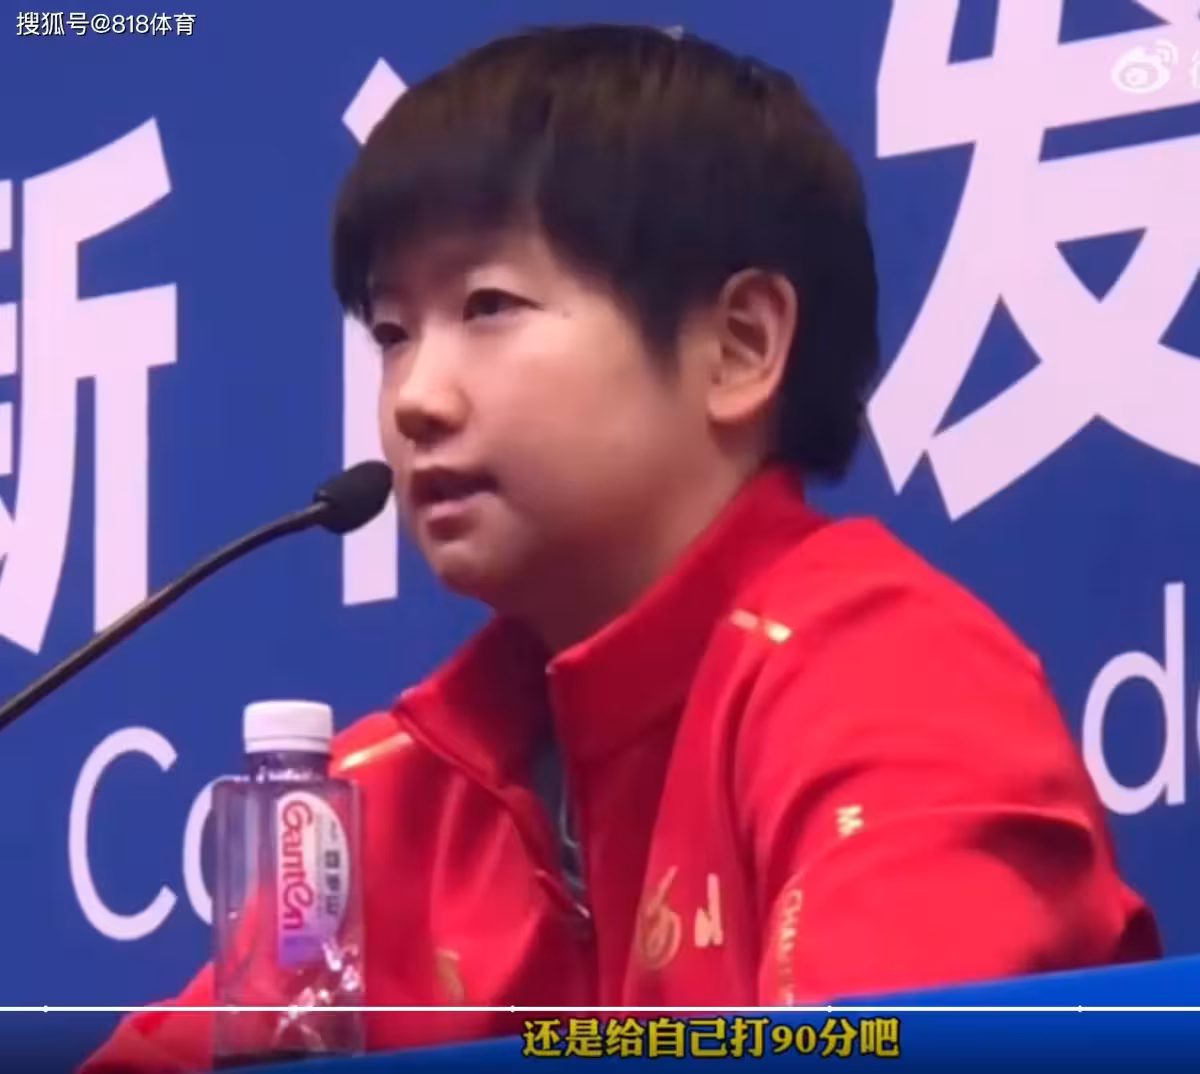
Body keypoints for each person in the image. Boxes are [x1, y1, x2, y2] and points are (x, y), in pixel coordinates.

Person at [81, 23, 1160, 1074]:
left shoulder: (895, 687)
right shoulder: (386, 800)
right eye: (394, 333)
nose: (413, 399)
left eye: (488, 306)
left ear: (738, 346)